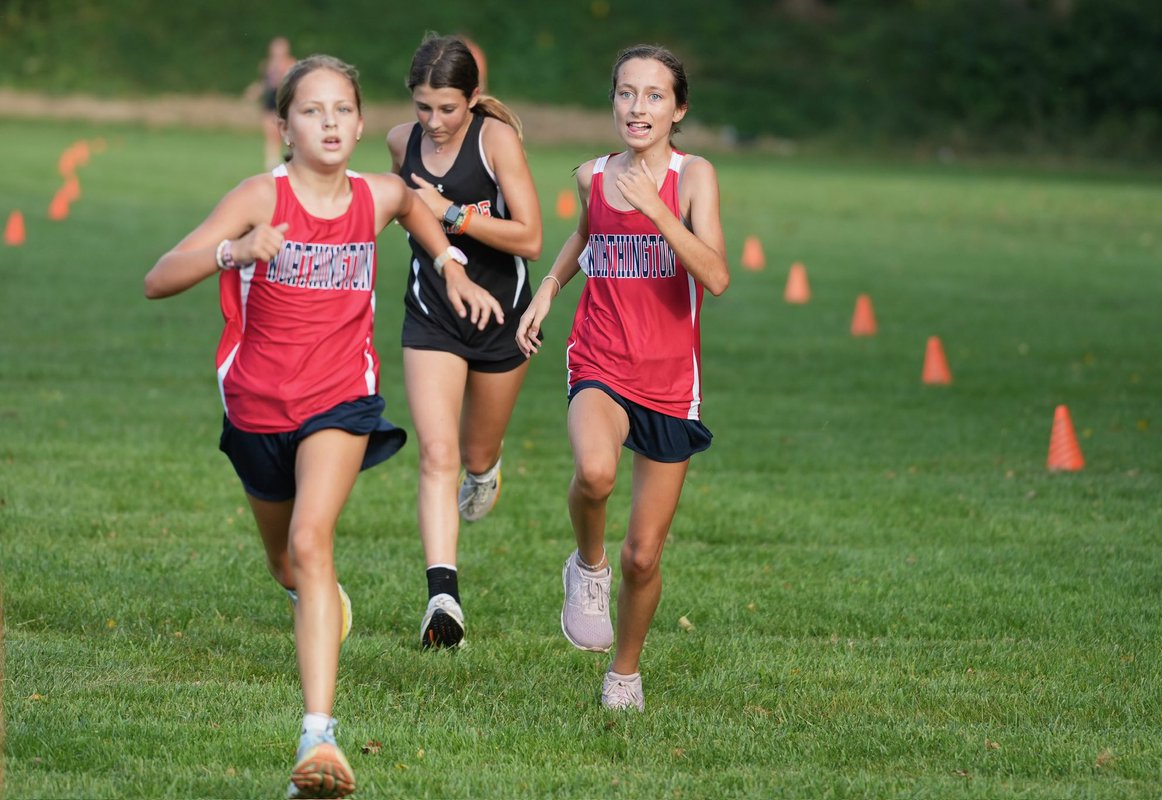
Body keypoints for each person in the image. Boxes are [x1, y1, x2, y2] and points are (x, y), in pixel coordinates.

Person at [145, 54, 500, 798]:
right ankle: (318, 598)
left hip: (340, 401)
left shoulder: (374, 195)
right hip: (256, 406)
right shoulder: (258, 196)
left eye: (343, 110)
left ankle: (319, 740)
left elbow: (409, 203)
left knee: (313, 539)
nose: (330, 123)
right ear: (284, 128)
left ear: (362, 123)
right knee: (289, 565)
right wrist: (232, 252)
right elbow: (160, 276)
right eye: (312, 111)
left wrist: (453, 265)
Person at [515, 44, 729, 711]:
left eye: (654, 95)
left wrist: (659, 210)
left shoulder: (694, 178)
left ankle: (624, 672)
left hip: (670, 382)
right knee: (596, 473)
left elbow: (717, 276)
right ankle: (586, 567)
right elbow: (587, 234)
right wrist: (550, 286)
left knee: (644, 556)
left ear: (678, 108)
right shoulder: (592, 175)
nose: (637, 107)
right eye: (626, 93)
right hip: (599, 358)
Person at [386, 34, 542, 649]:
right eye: (424, 107)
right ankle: (442, 599)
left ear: (472, 99)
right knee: (437, 454)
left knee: (475, 455)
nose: (435, 121)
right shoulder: (402, 142)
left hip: (504, 317)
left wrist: (449, 210)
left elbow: (530, 237)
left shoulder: (495, 139)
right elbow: (403, 214)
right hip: (432, 315)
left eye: (447, 108)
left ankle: (488, 470)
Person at [256, 37, 296, 170]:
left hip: (284, 100)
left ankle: (293, 159)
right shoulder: (266, 65)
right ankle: (271, 162)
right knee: (270, 132)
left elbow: (289, 83)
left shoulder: (291, 64)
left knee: (285, 132)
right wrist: (255, 90)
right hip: (270, 101)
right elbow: (265, 83)